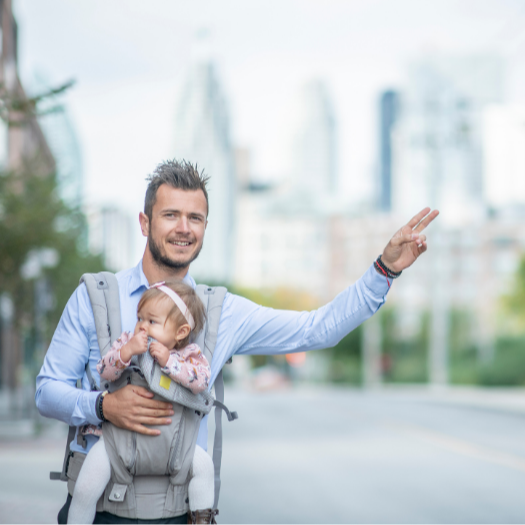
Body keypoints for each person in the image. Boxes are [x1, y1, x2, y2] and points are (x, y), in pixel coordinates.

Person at [36, 159, 439, 525]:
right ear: (145, 223)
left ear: (206, 228)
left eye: (195, 217)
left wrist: (384, 270)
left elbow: (318, 329)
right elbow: (47, 392)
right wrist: (103, 406)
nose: (184, 228)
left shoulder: (221, 310)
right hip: (100, 513)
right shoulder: (95, 296)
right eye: (170, 215)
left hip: (180, 516)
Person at [67, 280, 215, 525]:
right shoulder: (128, 343)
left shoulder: (189, 355)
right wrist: (125, 353)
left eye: (152, 321)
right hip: (119, 440)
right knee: (86, 486)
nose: (142, 327)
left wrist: (170, 362)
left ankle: (201, 519)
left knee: (204, 467)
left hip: (176, 443)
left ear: (181, 332)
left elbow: (200, 382)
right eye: (139, 318)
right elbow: (103, 371)